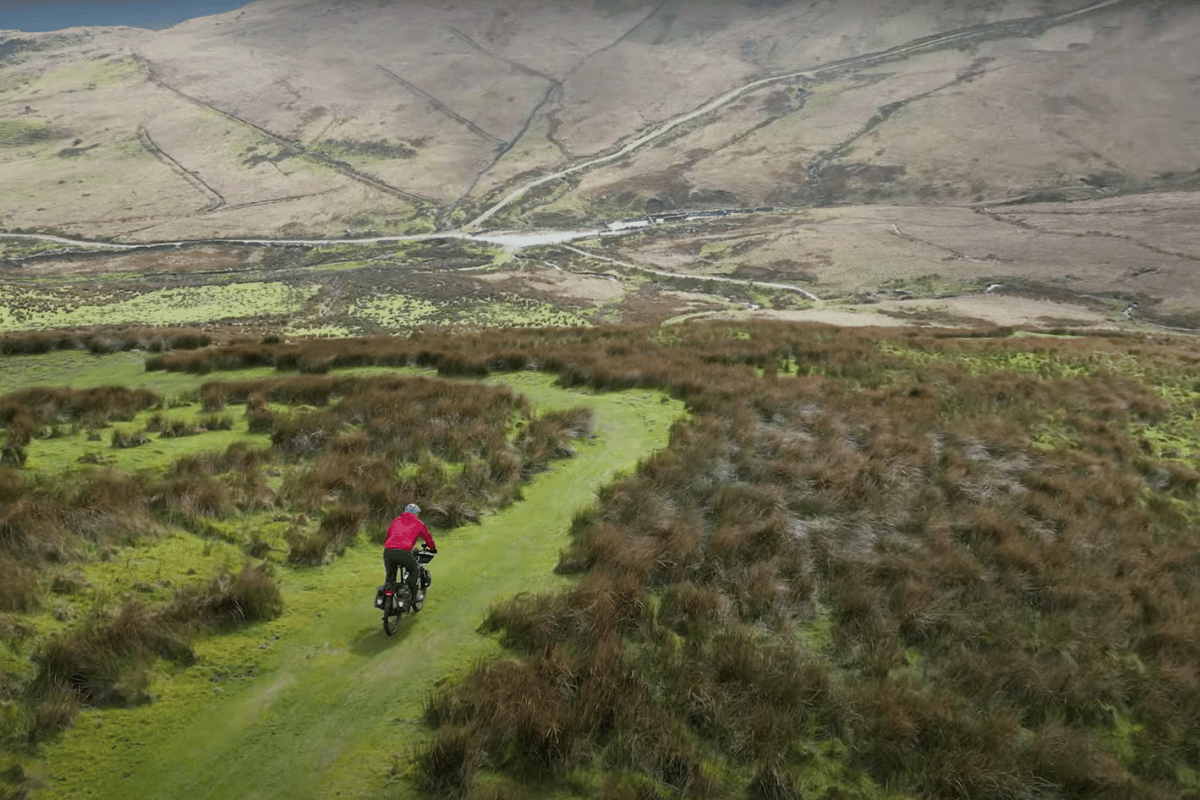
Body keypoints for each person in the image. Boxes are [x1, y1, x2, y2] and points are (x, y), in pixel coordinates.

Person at [383, 503, 436, 603]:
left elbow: (389, 533)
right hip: (403, 552)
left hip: (388, 551)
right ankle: (414, 596)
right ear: (415, 513)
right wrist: (432, 548)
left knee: (390, 576)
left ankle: (387, 601)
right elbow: (427, 537)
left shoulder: (396, 520)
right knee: (414, 570)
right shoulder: (418, 523)